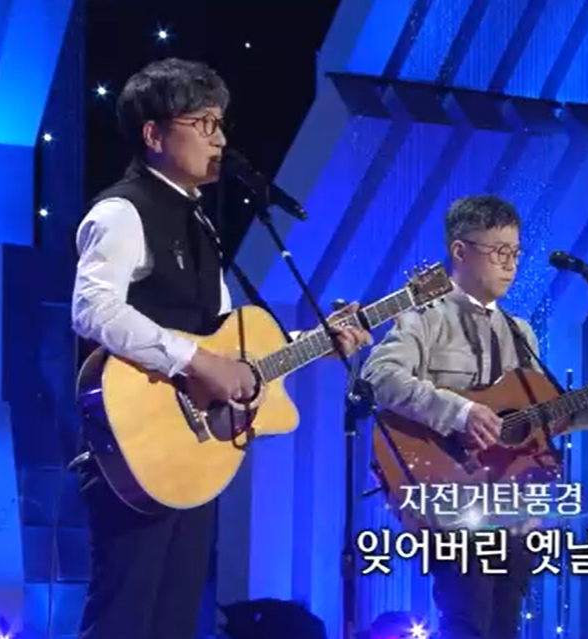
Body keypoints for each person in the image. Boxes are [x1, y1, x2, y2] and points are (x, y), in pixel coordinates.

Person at [70, 58, 370, 639]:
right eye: (204, 123)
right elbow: (94, 309)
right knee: (122, 620)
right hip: (133, 447)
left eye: (220, 124)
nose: (220, 139)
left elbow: (229, 347)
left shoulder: (199, 222)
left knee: (175, 623)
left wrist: (316, 344)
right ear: (154, 134)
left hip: (189, 456)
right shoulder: (122, 211)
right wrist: (195, 361)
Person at [359, 195, 588, 639]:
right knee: (467, 620)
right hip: (449, 496)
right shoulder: (424, 319)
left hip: (513, 503)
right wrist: (460, 411)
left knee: (504, 624)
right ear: (460, 251)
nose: (510, 264)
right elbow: (379, 376)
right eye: (498, 252)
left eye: (515, 252)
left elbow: (545, 417)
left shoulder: (519, 332)